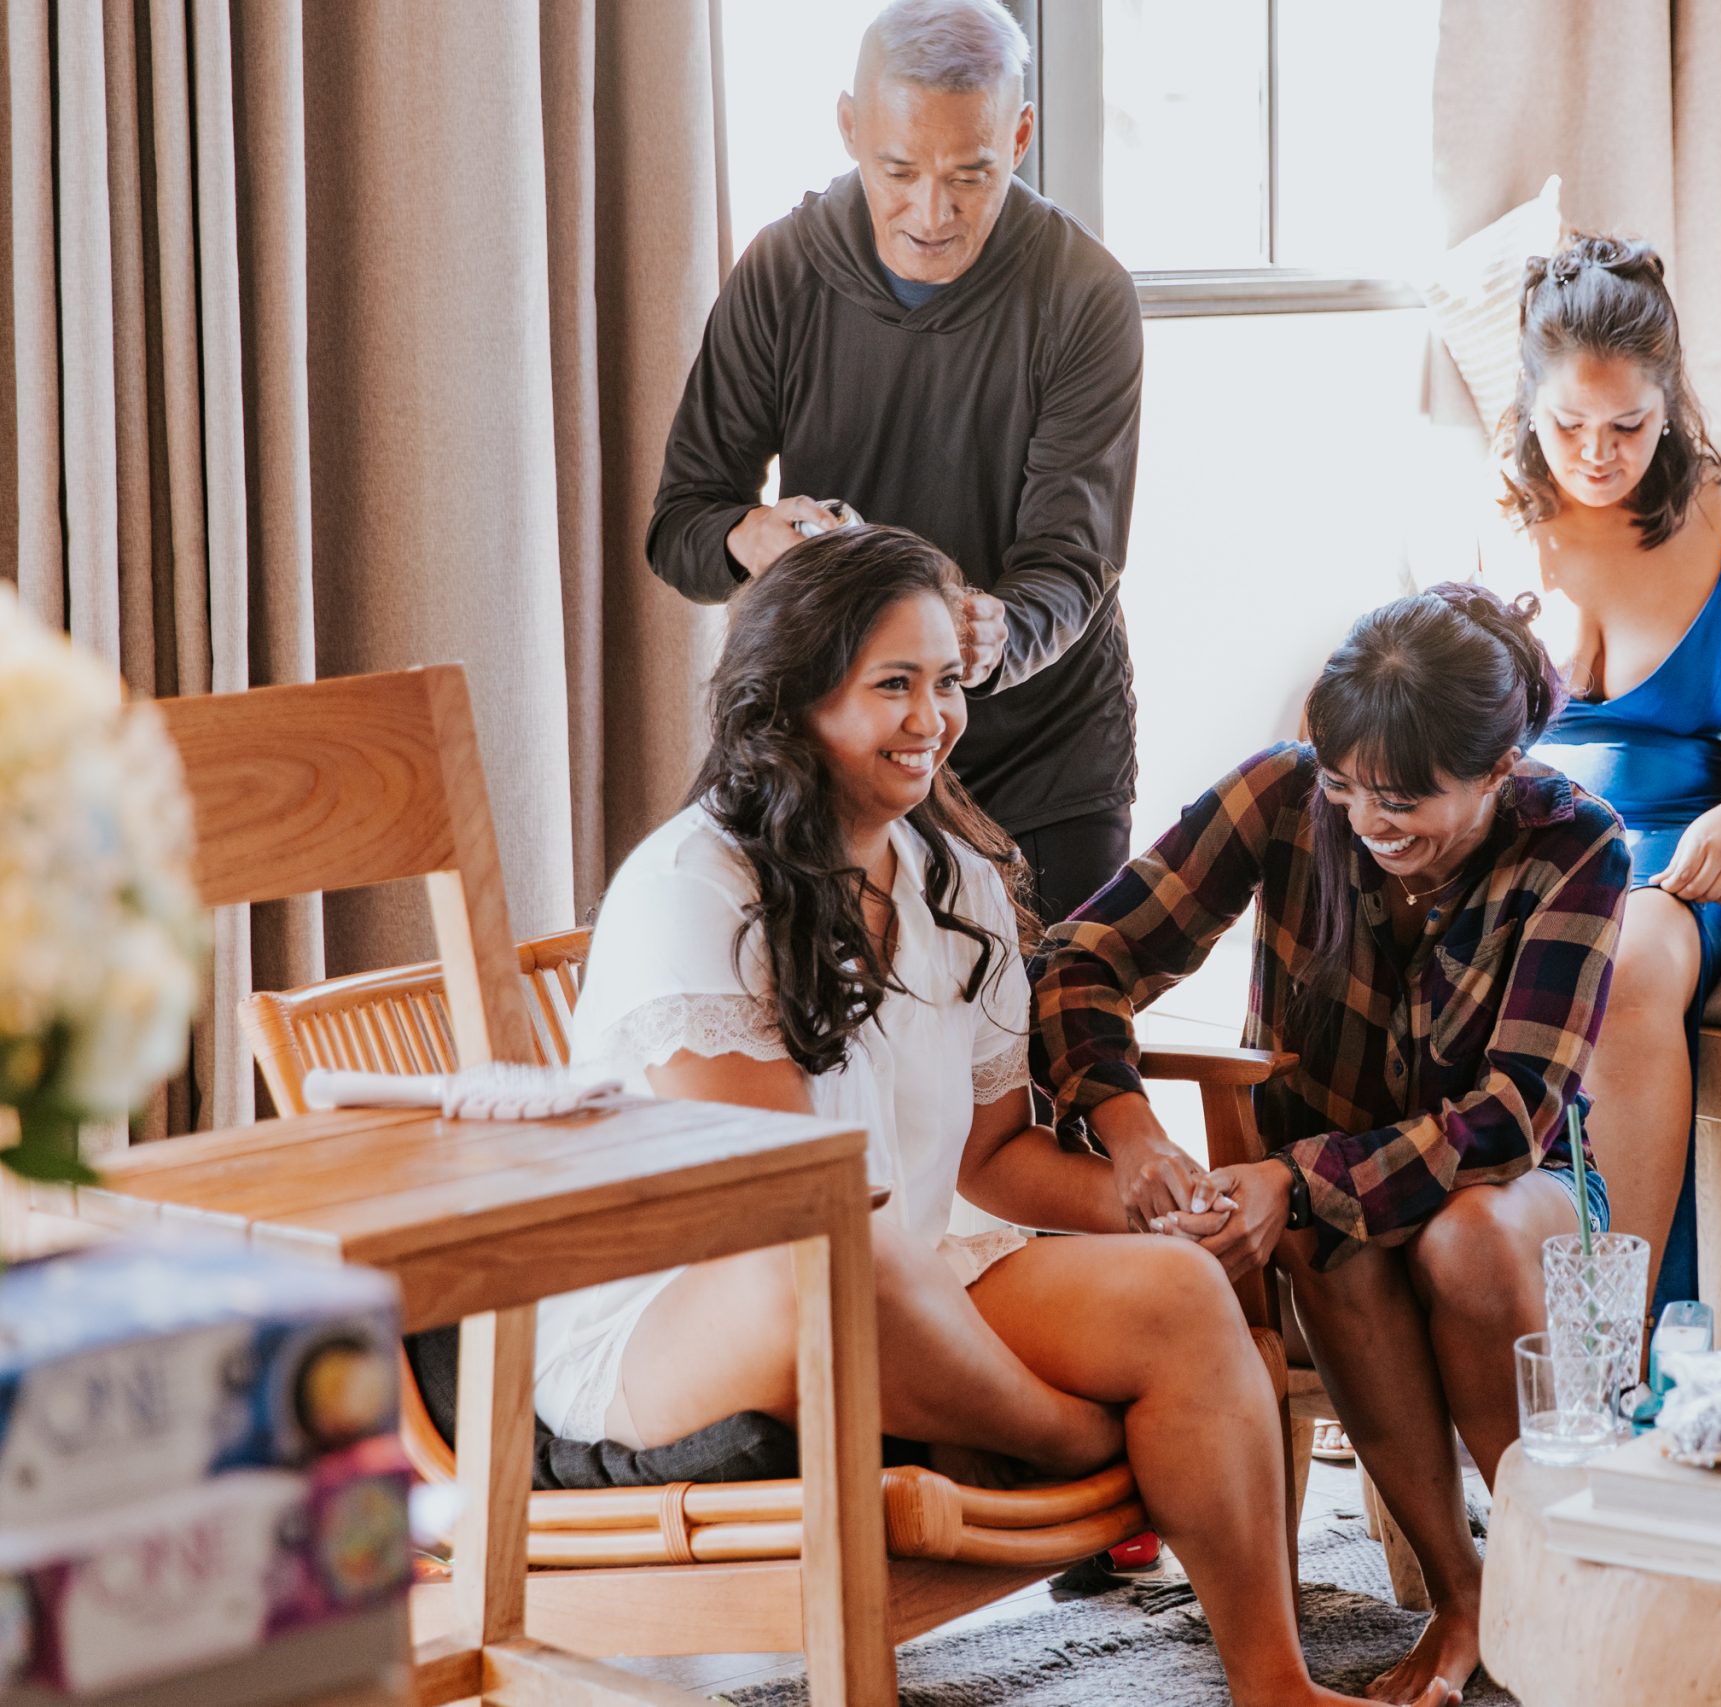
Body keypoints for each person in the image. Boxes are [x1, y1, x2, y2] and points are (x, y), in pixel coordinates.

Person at [539, 527, 1394, 1707]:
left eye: (946, 682)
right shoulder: (693, 886)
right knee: (846, 1246)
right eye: (893, 684)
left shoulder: (954, 878)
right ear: (791, 697)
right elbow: (782, 1210)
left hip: (907, 1271)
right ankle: (1063, 1438)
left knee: (1179, 1292)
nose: (932, 718)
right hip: (685, 1311)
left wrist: (1159, 1207)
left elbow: (993, 1157)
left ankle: (1275, 1688)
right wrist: (1069, 1412)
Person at [1032, 587, 1630, 1705]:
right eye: (1348, 789)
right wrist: (1130, 1131)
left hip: (1520, 1185)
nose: (1367, 822)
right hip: (1327, 1209)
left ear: (1499, 770)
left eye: (1405, 800)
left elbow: (1515, 1112)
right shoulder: (1283, 790)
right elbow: (1081, 959)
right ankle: (1464, 1595)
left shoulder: (1576, 841)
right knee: (1326, 1234)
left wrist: (1298, 1176)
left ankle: (1555, 1578)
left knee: (1456, 1237)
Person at [647, 0, 1143, 923]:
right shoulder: (781, 272)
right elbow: (683, 523)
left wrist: (996, 632)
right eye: (899, 170)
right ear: (849, 128)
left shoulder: (1084, 293)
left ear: (1020, 137)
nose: (932, 213)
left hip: (1043, 764)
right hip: (839, 758)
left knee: (1044, 1014)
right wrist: (750, 537)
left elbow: (1072, 560)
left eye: (970, 175)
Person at [1502, 234, 1721, 1315]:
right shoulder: (1494, 524)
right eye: (1568, 425)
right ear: (1528, 402)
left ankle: (1626, 1329)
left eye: (1628, 426)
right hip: (1541, 850)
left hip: (1695, 849)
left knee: (1631, 951)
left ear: (1671, 404)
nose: (1596, 454)